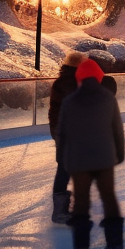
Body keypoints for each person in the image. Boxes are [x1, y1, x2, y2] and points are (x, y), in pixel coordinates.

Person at [57, 58, 125, 249]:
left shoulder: (69, 101)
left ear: (79, 78)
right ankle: (115, 246)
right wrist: (119, 155)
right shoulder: (108, 98)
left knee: (81, 204)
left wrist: (62, 158)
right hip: (104, 159)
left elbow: (62, 134)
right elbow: (117, 130)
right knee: (109, 200)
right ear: (98, 76)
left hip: (79, 161)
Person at [48, 51, 84, 224]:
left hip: (63, 130)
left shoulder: (66, 81)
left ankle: (70, 205)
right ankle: (60, 212)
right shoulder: (71, 83)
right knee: (64, 168)